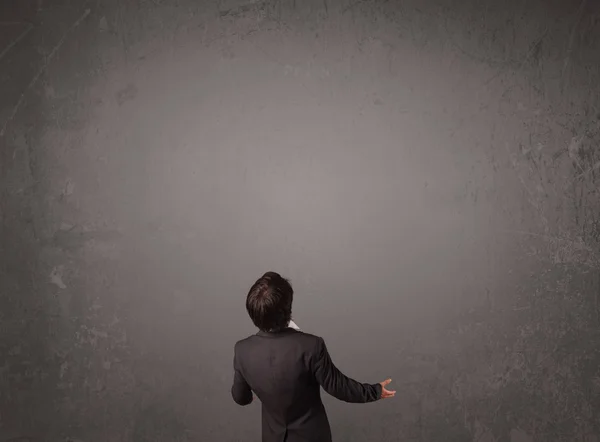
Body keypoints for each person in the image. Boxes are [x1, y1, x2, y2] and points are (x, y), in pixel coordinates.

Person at [231, 271, 396, 442]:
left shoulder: (242, 350)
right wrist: (375, 391)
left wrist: (257, 392)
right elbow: (338, 386)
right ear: (288, 306)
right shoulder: (311, 346)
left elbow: (240, 397)